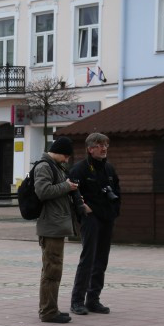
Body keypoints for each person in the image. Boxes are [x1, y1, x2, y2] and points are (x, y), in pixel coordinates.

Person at [70, 132, 121, 315]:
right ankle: (77, 301)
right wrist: (83, 208)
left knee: (101, 260)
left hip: (107, 218)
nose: (104, 148)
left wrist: (114, 212)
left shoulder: (109, 169)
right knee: (88, 260)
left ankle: (93, 299)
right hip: (91, 219)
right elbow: (73, 192)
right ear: (90, 149)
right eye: (100, 145)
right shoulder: (80, 169)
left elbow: (117, 191)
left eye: (106, 145)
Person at [35, 137, 84, 324]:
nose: (66, 160)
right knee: (51, 270)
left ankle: (51, 309)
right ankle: (48, 311)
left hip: (55, 225)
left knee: (53, 269)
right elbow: (43, 191)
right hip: (51, 227)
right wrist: (67, 186)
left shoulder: (54, 166)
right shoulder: (44, 166)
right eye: (65, 156)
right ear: (60, 152)